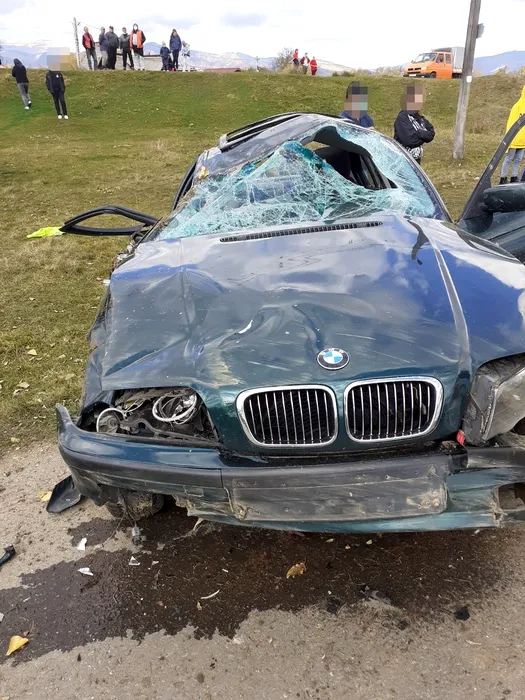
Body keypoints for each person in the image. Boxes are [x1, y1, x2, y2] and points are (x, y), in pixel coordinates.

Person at [393, 85, 435, 164]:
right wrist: (424, 137)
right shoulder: (402, 117)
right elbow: (410, 141)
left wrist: (419, 133)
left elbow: (431, 133)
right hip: (403, 161)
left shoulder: (419, 117)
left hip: (416, 161)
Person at [500, 87, 525, 184]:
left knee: (518, 159)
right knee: (509, 159)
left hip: (523, 140)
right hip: (514, 139)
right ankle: (503, 177)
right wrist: (509, 138)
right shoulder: (517, 106)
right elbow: (511, 123)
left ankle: (514, 177)